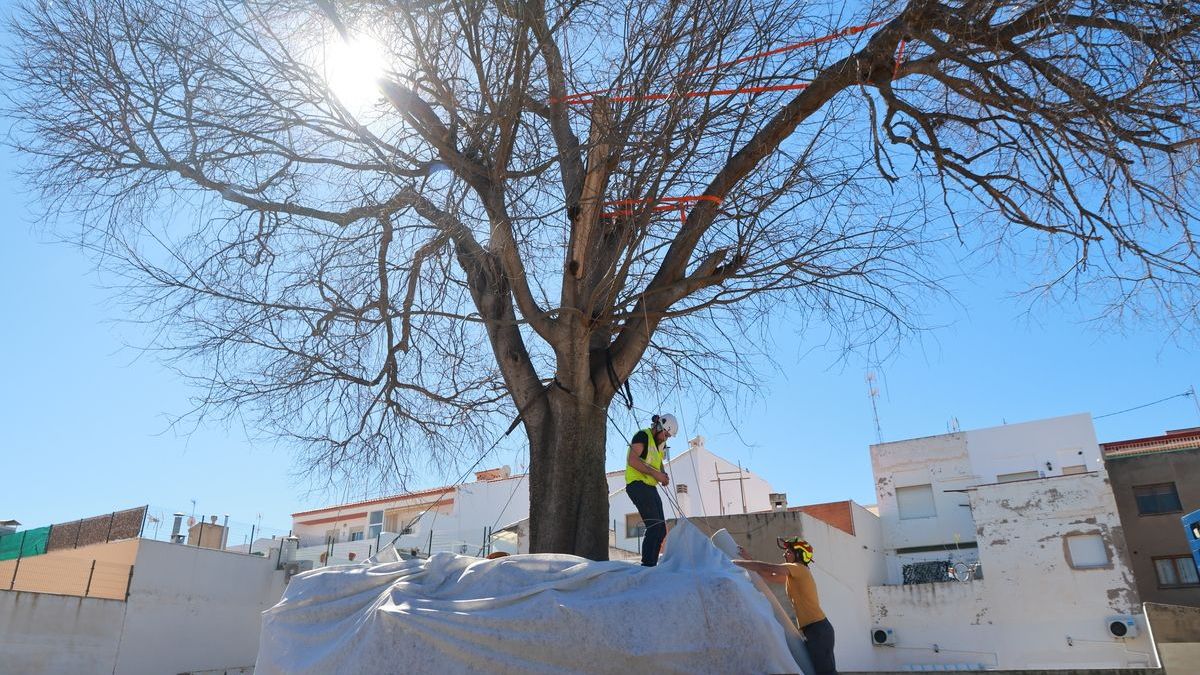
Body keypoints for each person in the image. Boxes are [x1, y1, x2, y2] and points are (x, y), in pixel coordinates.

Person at [733, 537, 837, 675]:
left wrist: (737, 563)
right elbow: (768, 575)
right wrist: (747, 558)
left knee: (825, 673)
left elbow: (768, 567)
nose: (784, 554)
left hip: (818, 630)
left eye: (788, 551)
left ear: (799, 554)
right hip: (813, 630)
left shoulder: (798, 568)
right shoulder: (793, 575)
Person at [625, 413, 678, 566]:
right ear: (659, 426)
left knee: (661, 529)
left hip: (649, 486)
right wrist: (656, 474)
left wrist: (663, 474)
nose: (666, 438)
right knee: (654, 526)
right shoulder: (642, 436)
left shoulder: (658, 445)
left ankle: (651, 565)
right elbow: (633, 461)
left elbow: (658, 461)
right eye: (666, 434)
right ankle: (647, 566)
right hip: (637, 484)